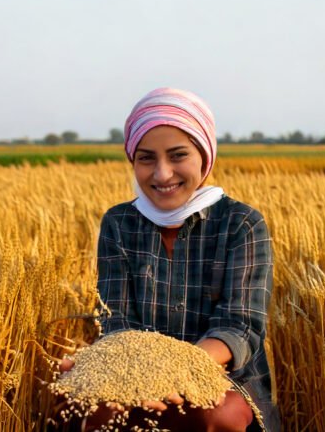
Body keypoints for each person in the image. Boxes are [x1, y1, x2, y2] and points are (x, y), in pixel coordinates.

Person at [61, 88, 280, 431]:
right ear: (133, 160)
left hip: (224, 378)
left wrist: (177, 371)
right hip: (133, 373)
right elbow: (117, 318)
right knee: (87, 409)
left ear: (204, 157)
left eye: (178, 155)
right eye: (146, 158)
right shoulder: (119, 223)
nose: (163, 174)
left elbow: (240, 326)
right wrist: (120, 372)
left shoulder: (242, 224)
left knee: (214, 417)